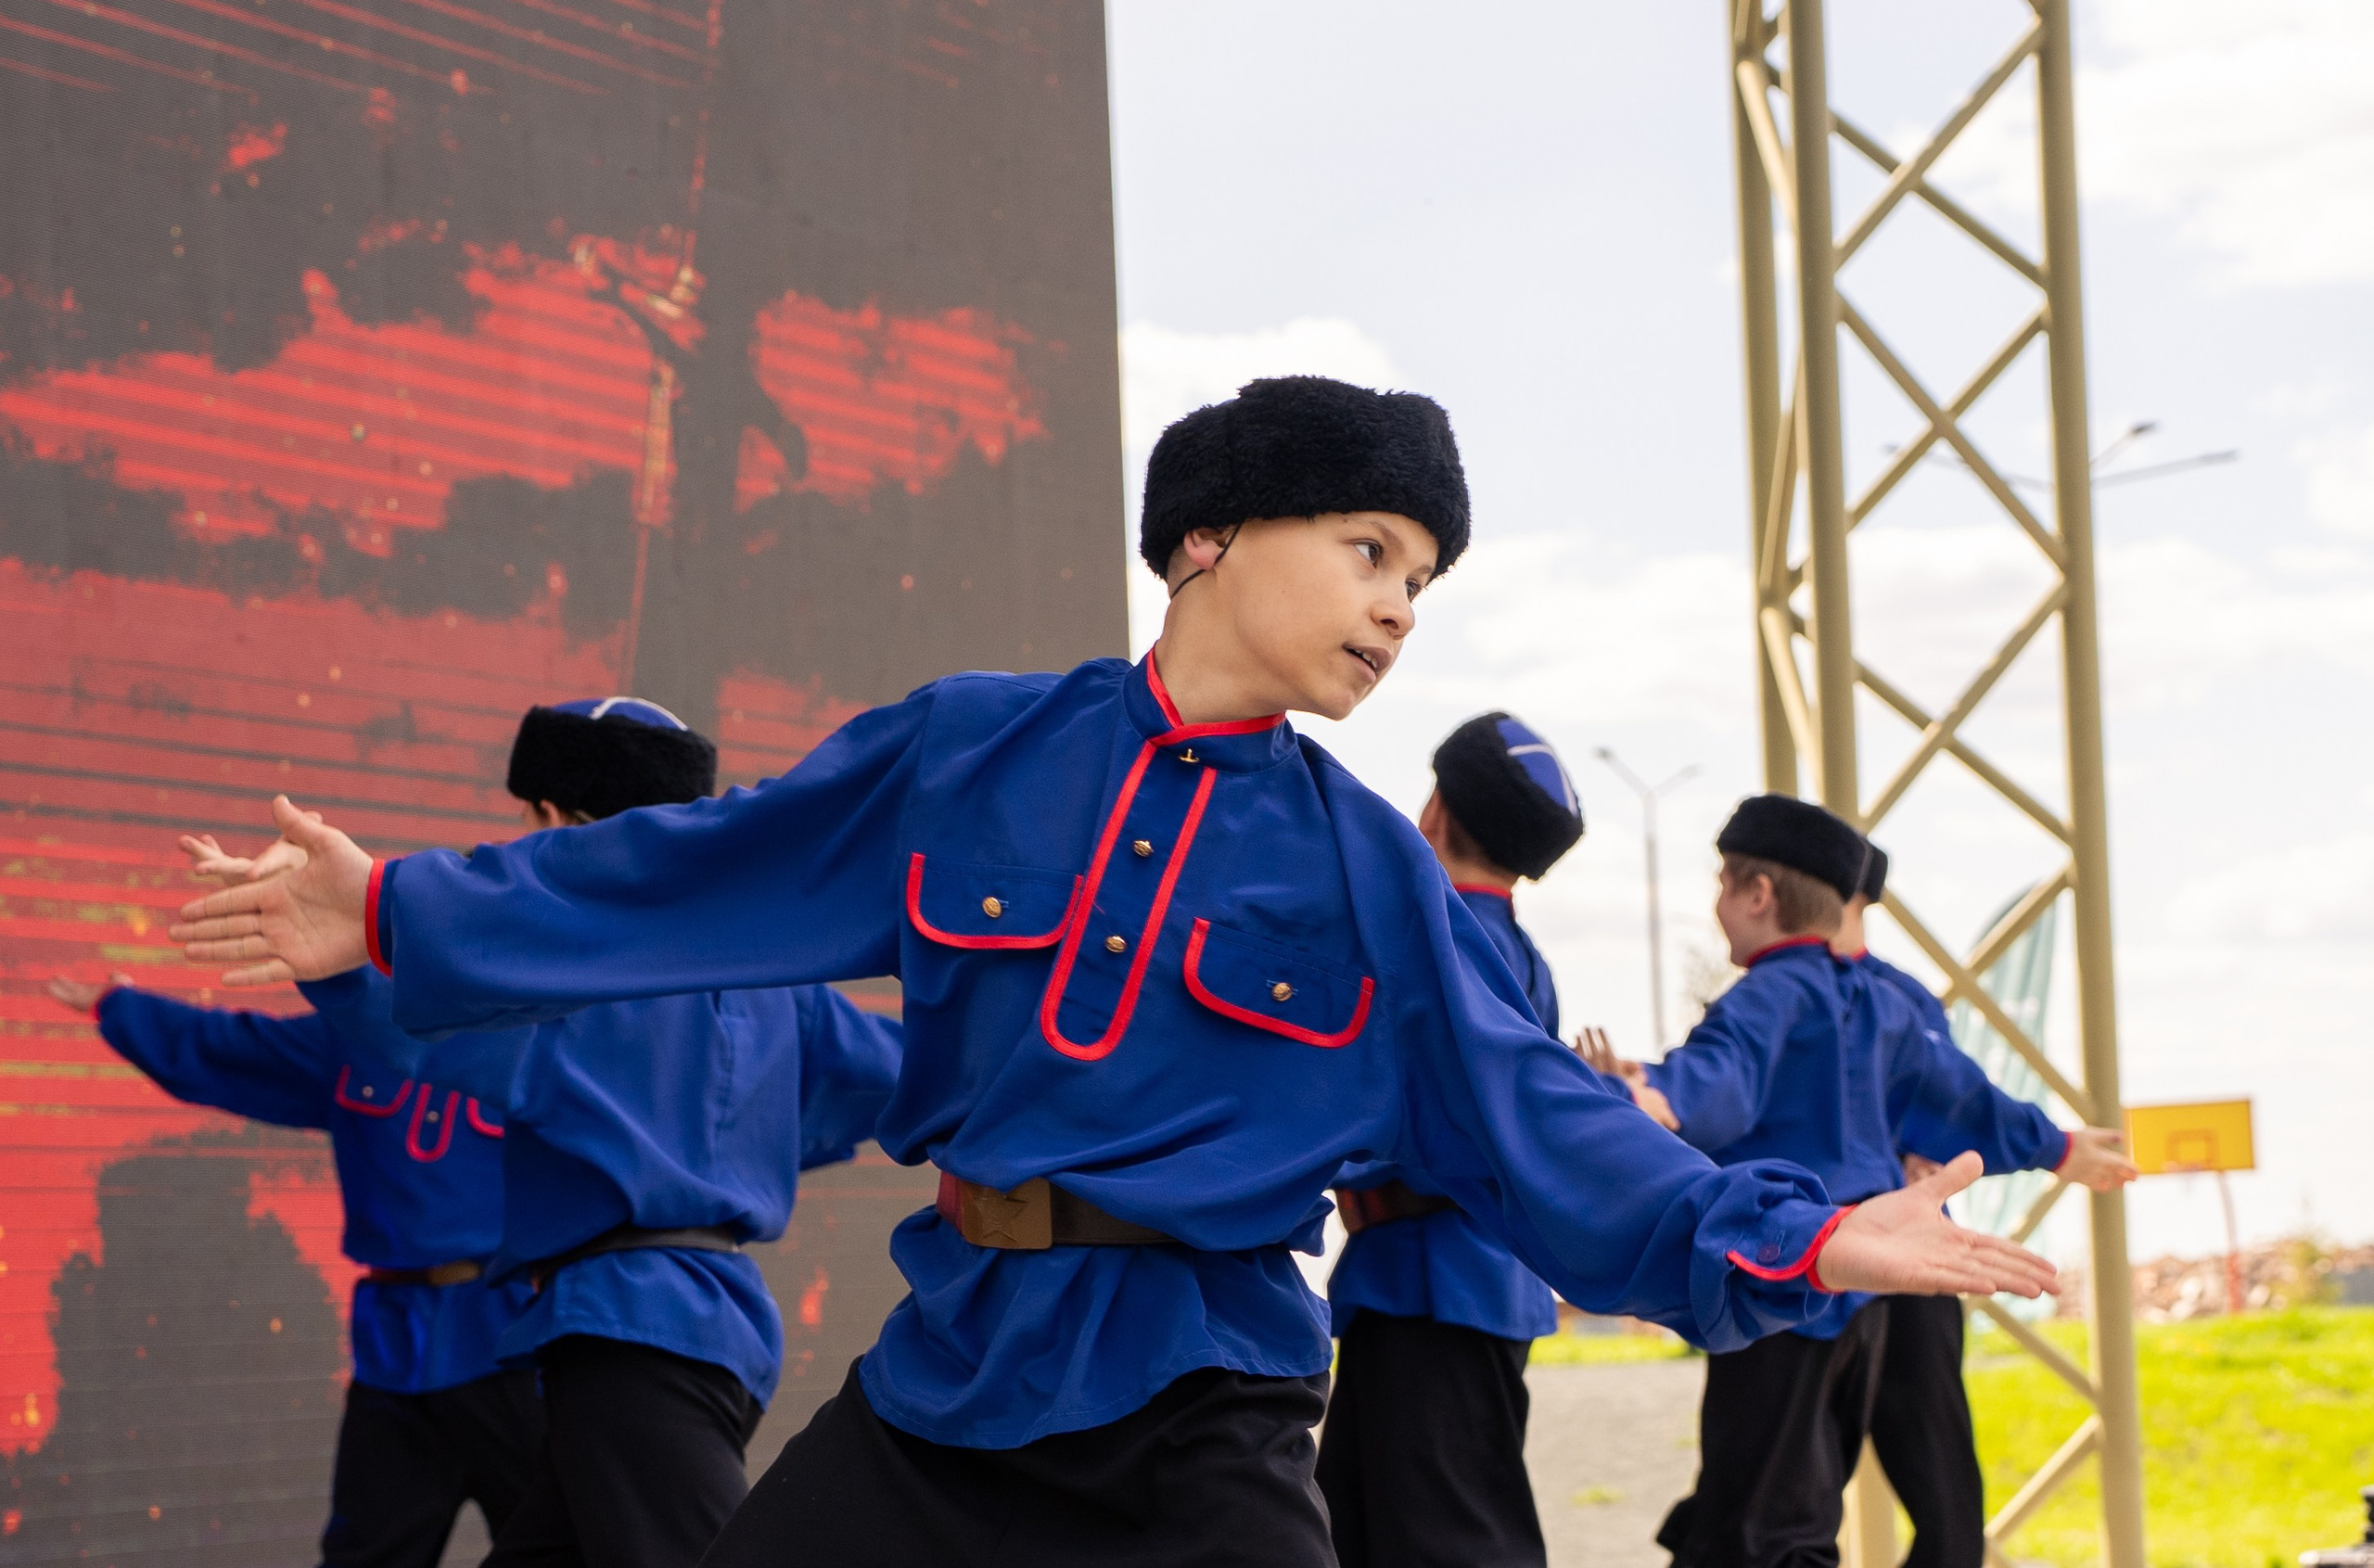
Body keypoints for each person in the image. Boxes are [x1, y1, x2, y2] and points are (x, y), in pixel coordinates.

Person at [171, 377, 2057, 1568]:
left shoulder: (1358, 867)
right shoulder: (975, 750)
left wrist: (1797, 1235)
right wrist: (406, 914)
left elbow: (1534, 1116)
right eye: (1371, 547)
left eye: (1426, 577)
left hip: (1202, 1400)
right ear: (1207, 539)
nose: (1402, 602)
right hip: (946, 1378)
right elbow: (705, 874)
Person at [342, 695, 907, 1568]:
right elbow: (904, 1069)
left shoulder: (572, 975)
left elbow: (419, 1029)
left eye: (527, 818)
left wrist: (342, 954)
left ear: (563, 822)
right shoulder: (768, 975)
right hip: (686, 1331)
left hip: (630, 1337)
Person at [1602, 798, 2115, 1568]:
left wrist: (1652, 1096)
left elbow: (1721, 1077)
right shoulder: (1884, 1002)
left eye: (1721, 884)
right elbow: (1963, 1100)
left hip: (1786, 1276)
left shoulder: (1771, 995)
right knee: (1824, 1508)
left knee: (1760, 1528)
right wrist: (2058, 1145)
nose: (1713, 906)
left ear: (1759, 895)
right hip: (1872, 1291)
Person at [48, 837, 542, 1568]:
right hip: (396, 1359)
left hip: (507, 1349)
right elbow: (226, 1050)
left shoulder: (535, 1040)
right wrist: (119, 1007)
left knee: (564, 1547)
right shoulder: (357, 1039)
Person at [1316, 711, 1588, 1568]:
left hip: (1431, 1286)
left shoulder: (1436, 944)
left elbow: (1418, 1120)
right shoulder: (1523, 954)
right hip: (1453, 1285)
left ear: (1432, 809)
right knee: (1359, 1532)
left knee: (1450, 1542)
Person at [1842, 845, 2134, 1568]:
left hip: (1902, 1265)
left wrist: (2053, 1145)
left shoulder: (1889, 998)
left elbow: (1956, 1102)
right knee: (1783, 1507)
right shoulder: (1773, 997)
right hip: (1812, 1269)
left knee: (1944, 1505)